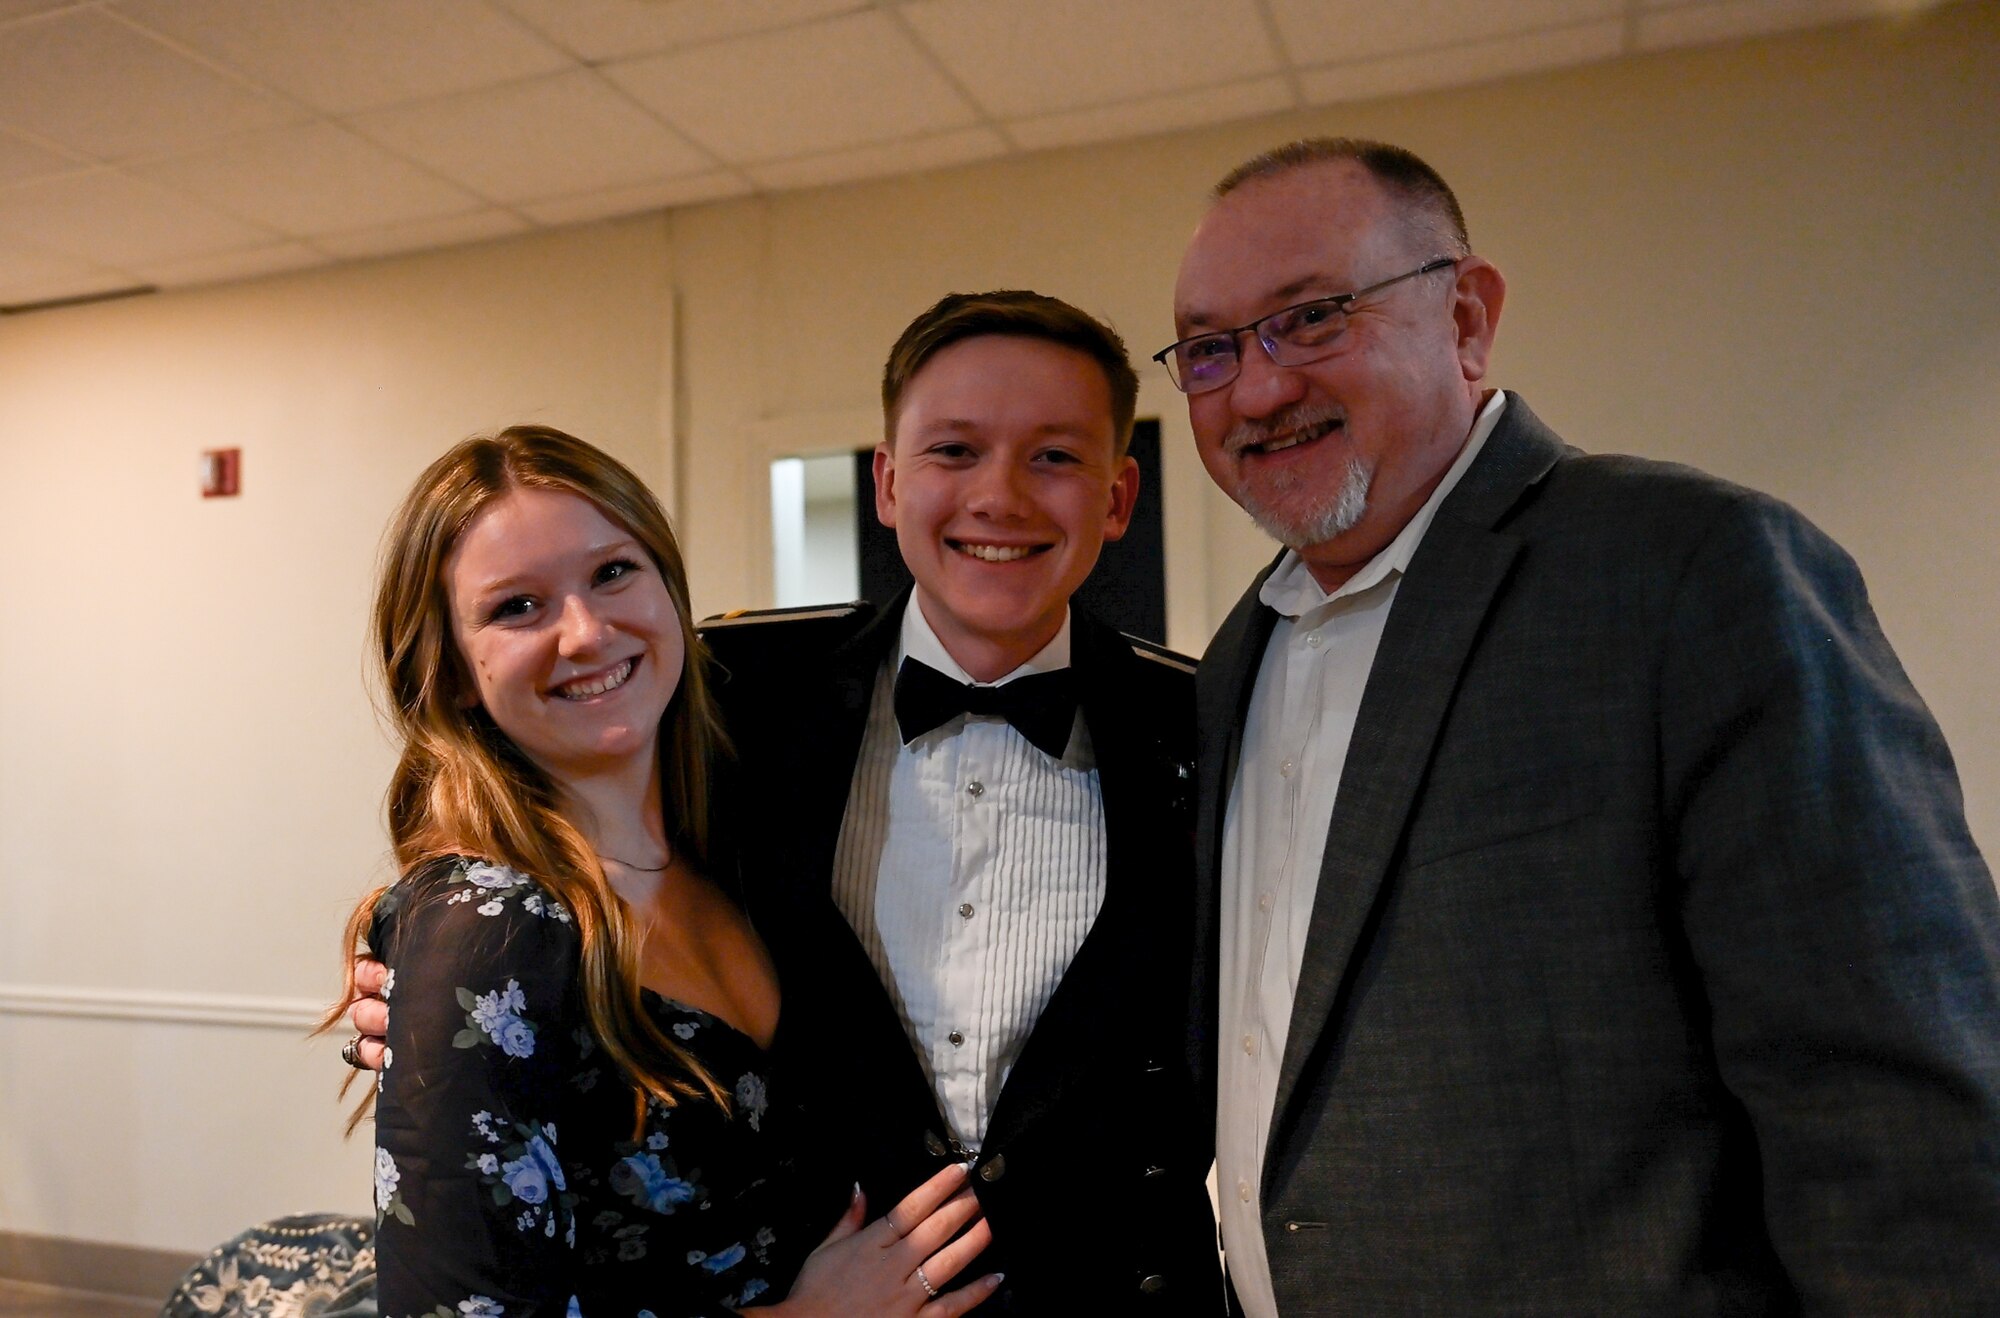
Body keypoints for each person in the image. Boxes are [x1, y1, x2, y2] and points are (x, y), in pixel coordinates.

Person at [1158, 136, 2000, 1312]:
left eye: (1310, 319)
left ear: (1464, 318)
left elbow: (1896, 1116)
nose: (1255, 391)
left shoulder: (1689, 572)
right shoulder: (1228, 663)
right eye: (1208, 350)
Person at [352, 295, 1223, 1313]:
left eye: (1054, 456)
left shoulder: (1213, 729)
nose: (998, 495)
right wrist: (437, 990)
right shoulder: (745, 695)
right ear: (888, 482)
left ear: (1118, 497)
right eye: (953, 449)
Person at [331, 426, 1001, 1317]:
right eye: (518, 607)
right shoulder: (486, 928)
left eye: (613, 572)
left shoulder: (733, 839)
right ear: (452, 669)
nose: (586, 632)